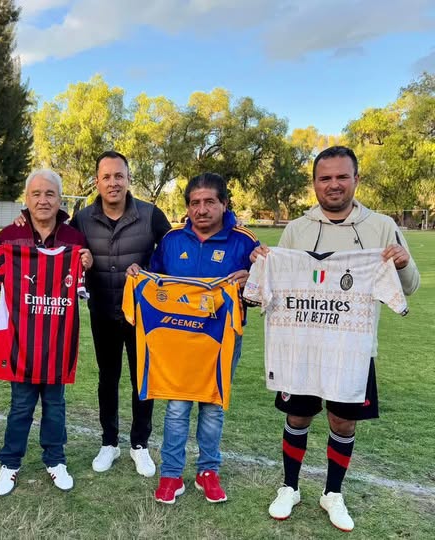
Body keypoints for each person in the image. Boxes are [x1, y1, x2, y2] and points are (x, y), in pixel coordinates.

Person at [250, 146, 420, 532]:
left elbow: (409, 288)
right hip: (301, 345)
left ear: (356, 180)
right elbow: (276, 283)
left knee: (343, 423)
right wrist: (265, 262)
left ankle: (333, 493)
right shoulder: (297, 229)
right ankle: (289, 486)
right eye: (325, 178)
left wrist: (404, 263)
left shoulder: (381, 226)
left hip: (352, 348)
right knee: (298, 416)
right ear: (314, 184)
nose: (334, 184)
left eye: (342, 176)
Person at [126, 173, 259, 504]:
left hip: (221, 340)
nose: (202, 209)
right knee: (176, 405)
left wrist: (252, 281)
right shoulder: (171, 240)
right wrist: (137, 276)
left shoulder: (244, 242)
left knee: (213, 406)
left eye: (209, 202)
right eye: (195, 203)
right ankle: (171, 473)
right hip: (178, 340)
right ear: (187, 206)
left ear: (224, 204)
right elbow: (155, 282)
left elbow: (264, 294)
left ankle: (207, 471)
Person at [0, 169, 92, 495]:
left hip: (58, 341)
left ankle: (55, 459)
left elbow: (85, 289)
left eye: (50, 194)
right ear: (26, 200)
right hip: (22, 343)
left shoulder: (75, 241)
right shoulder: (9, 236)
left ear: (60, 200)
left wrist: (87, 264)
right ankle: (10, 463)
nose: (43, 200)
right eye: (36, 194)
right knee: (20, 406)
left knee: (55, 405)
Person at [70, 151, 172, 477]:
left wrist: (147, 271)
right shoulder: (82, 219)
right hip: (101, 312)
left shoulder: (151, 214)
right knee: (107, 378)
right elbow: (55, 242)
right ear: (97, 181)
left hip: (142, 316)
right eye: (106, 177)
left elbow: (173, 255)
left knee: (142, 380)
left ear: (129, 179)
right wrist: (21, 220)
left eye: (119, 176)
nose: (113, 183)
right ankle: (109, 442)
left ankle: (139, 444)